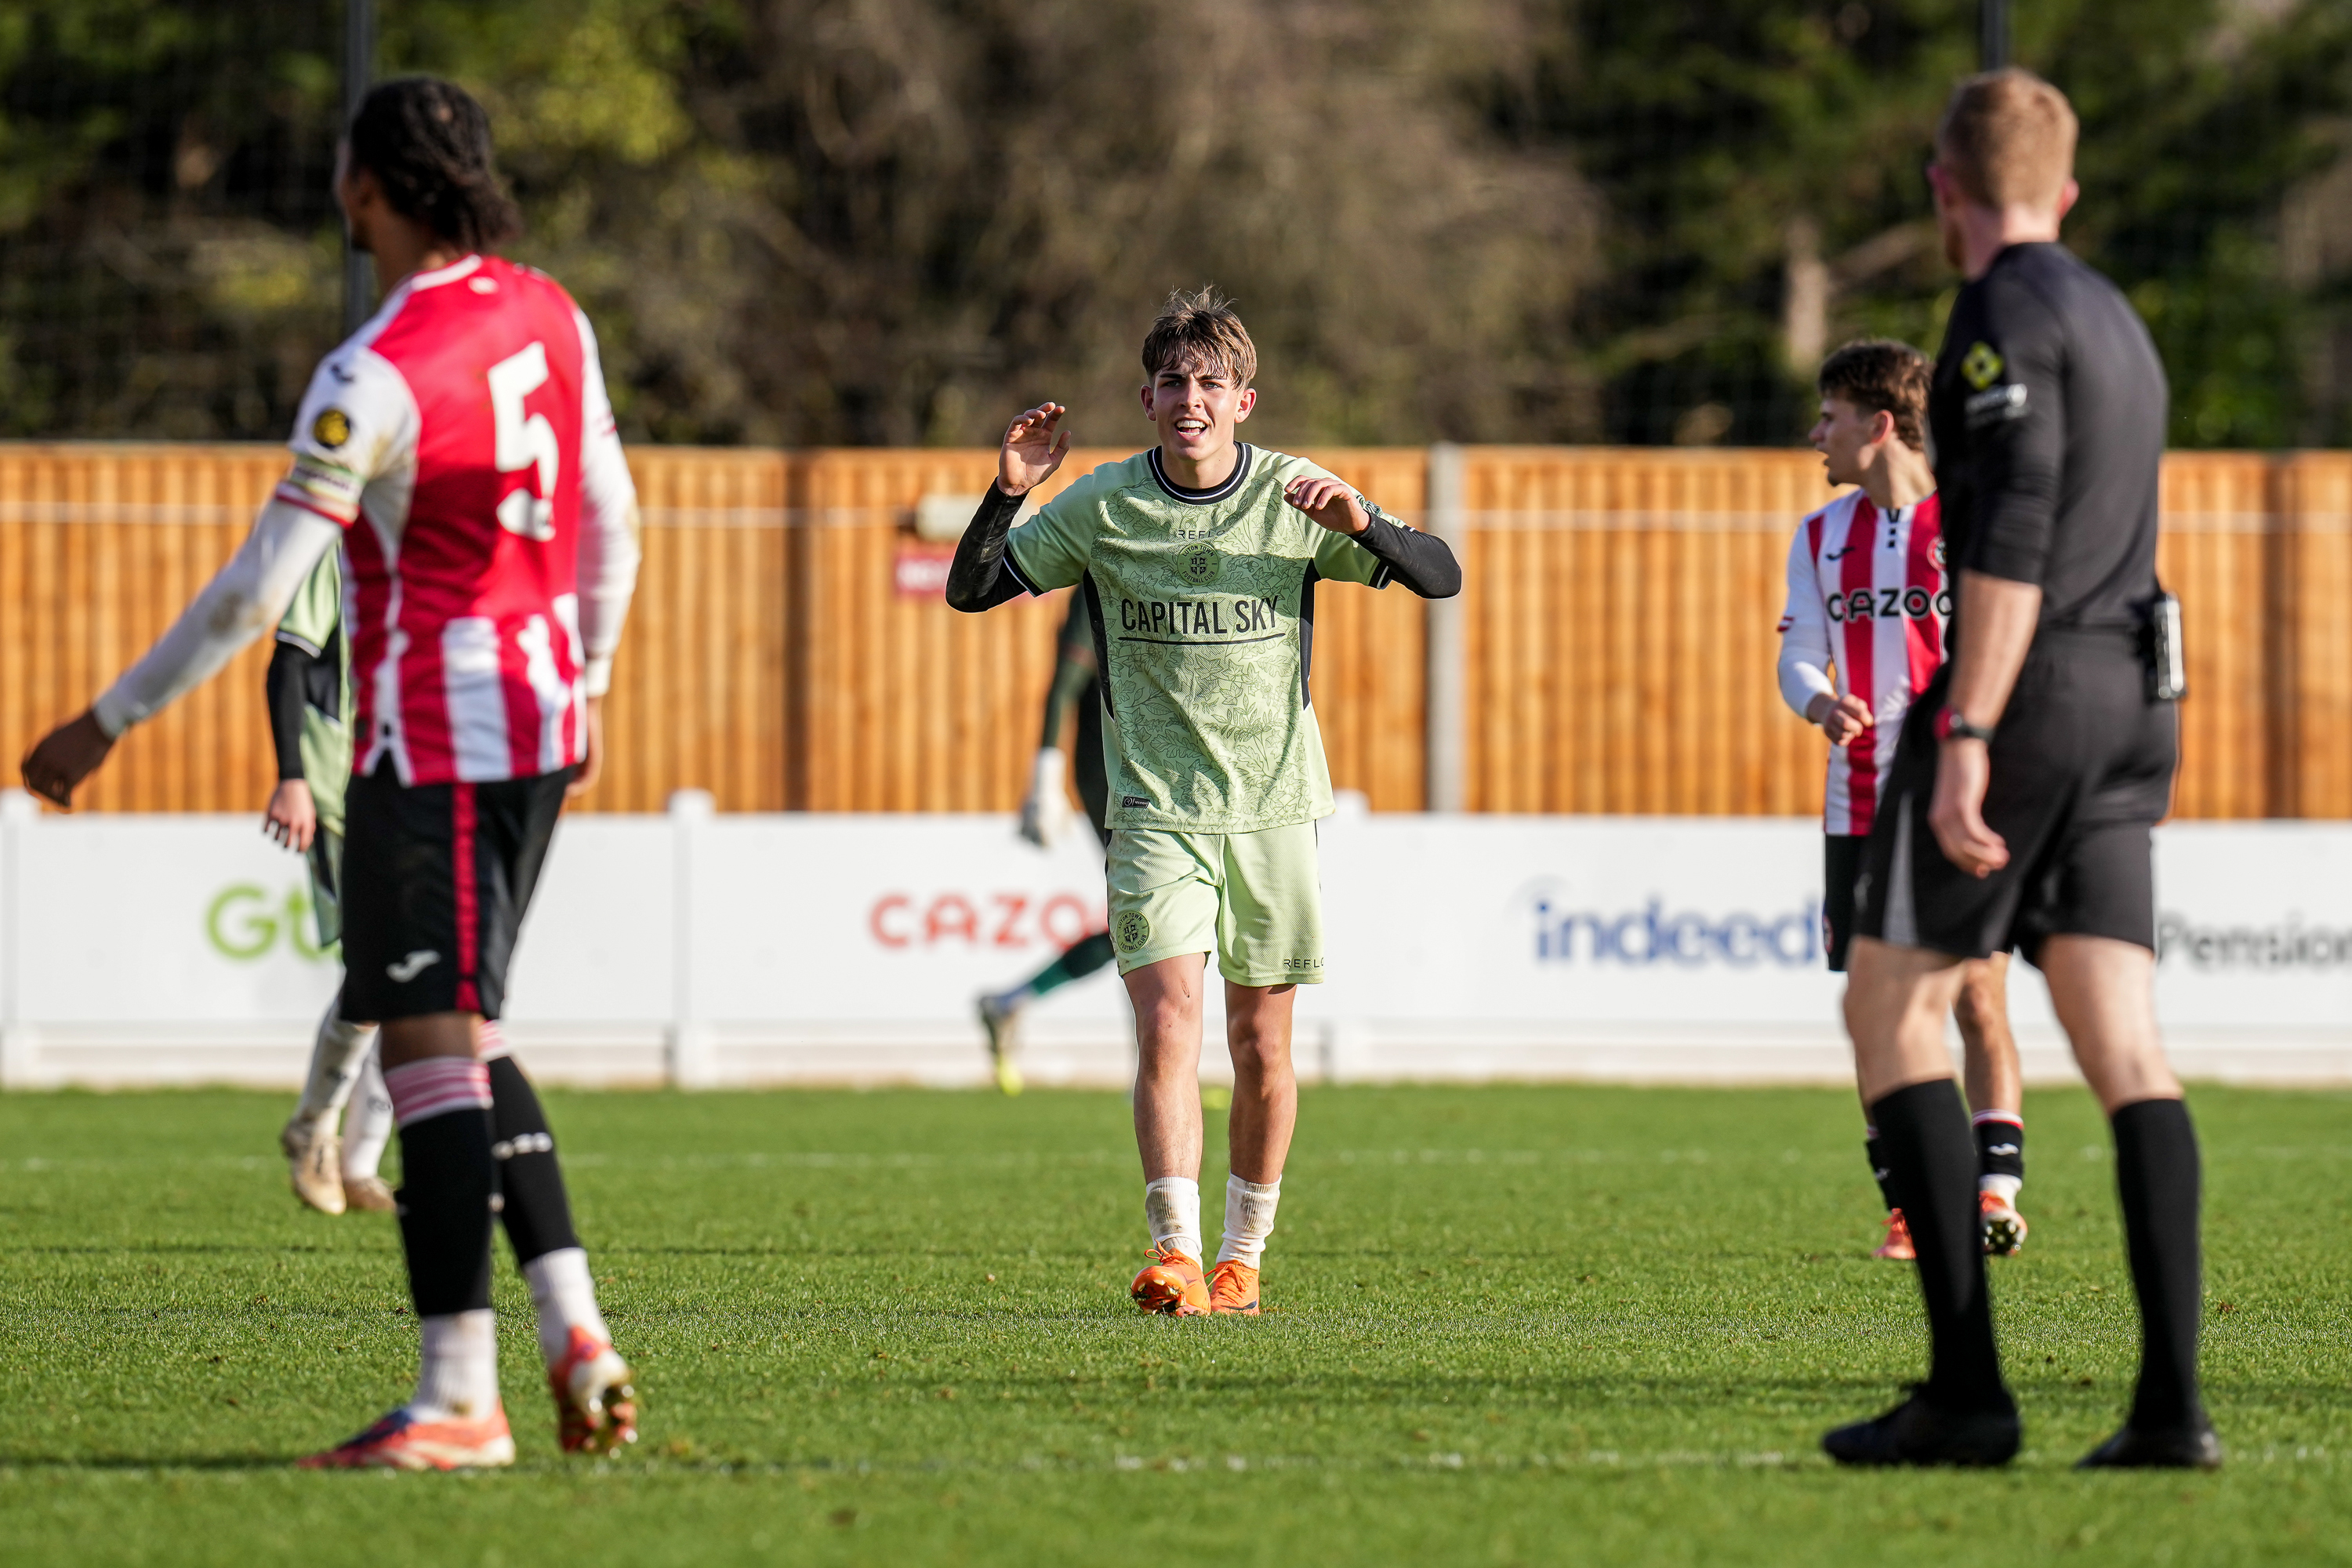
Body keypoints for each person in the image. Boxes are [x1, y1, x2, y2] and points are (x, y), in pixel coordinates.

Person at [21, 76, 644, 1471]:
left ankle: (456, 1400)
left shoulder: (375, 369)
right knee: (466, 1034)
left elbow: (257, 596)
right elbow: (615, 520)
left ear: (365, 190)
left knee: (428, 1049)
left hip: (436, 734)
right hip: (542, 722)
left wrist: (106, 721)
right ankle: (575, 1336)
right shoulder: (551, 312)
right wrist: (590, 677)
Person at [1824, 69, 2216, 1470]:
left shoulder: (1999, 313)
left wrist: (1970, 731)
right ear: (2070, 188)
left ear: (1945, 190)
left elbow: (2016, 532)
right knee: (2125, 1044)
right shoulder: (2120, 319)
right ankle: (2172, 1412)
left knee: (1891, 1009)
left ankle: (1968, 1394)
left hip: (2033, 690)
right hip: (2137, 693)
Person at [947, 287, 1460, 1317]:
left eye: (1211, 383)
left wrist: (1366, 523)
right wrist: (1008, 492)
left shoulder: (1298, 496)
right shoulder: (1102, 504)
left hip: (1275, 810)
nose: (1192, 398)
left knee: (1261, 1043)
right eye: (1175, 382)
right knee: (1170, 1022)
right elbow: (975, 588)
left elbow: (1439, 576)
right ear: (1146, 398)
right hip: (1152, 812)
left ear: (1246, 400)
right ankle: (1176, 1253)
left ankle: (1244, 1257)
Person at [1778, 339, 2028, 1262]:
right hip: (1856, 803)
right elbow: (1798, 648)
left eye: (1830, 417)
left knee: (1975, 990)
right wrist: (1816, 695)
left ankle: (1994, 1188)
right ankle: (1911, 1205)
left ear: (1879, 424)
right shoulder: (1818, 535)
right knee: (1874, 1007)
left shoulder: (1974, 524)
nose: (1817, 435)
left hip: (1959, 796)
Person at [267, 549, 397, 1216]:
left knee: (409, 977)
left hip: (407, 788)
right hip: (340, 791)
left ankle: (354, 1160)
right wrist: (293, 776)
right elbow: (287, 660)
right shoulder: (341, 550)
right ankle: (318, 1131)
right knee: (379, 975)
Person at [977, 592, 1118, 1095]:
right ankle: (1160, 1073)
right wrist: (1046, 774)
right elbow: (1063, 685)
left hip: (1151, 778)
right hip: (1115, 780)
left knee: (1150, 924)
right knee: (1156, 918)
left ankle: (1012, 1001)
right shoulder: (1104, 570)